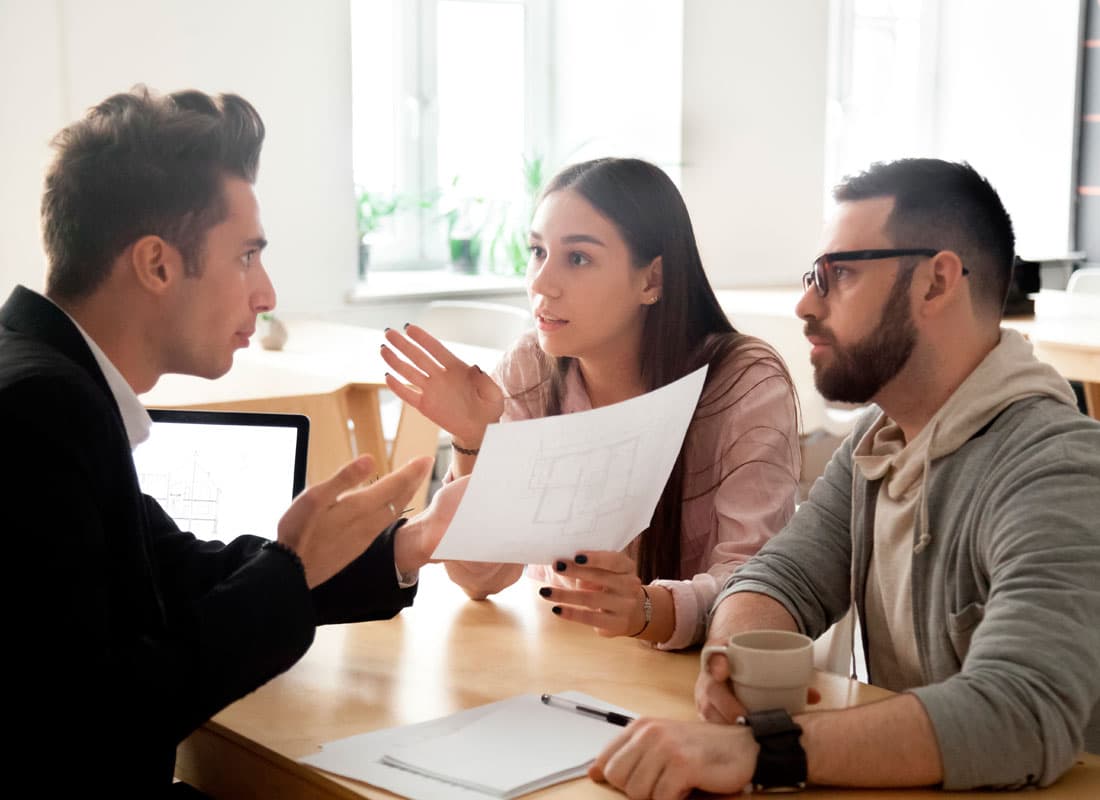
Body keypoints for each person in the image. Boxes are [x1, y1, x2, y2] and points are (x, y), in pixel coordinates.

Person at [1, 86, 465, 796]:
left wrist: (404, 546)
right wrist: (289, 568)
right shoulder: (39, 410)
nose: (267, 291)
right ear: (156, 264)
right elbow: (98, 719)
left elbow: (175, 572)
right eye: (247, 256)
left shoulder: (48, 378)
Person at [590, 158, 1100, 797]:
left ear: (936, 283)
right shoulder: (879, 439)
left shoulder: (1056, 469)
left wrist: (759, 751)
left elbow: (1023, 712)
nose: (805, 304)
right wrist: (736, 662)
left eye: (841, 275)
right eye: (813, 277)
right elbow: (782, 577)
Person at [381, 157, 800, 650]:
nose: (541, 283)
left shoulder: (744, 383)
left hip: (695, 683)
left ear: (652, 281)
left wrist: (647, 610)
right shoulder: (530, 369)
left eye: (577, 258)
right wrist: (475, 444)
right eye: (537, 252)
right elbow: (480, 580)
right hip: (565, 665)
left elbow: (755, 587)